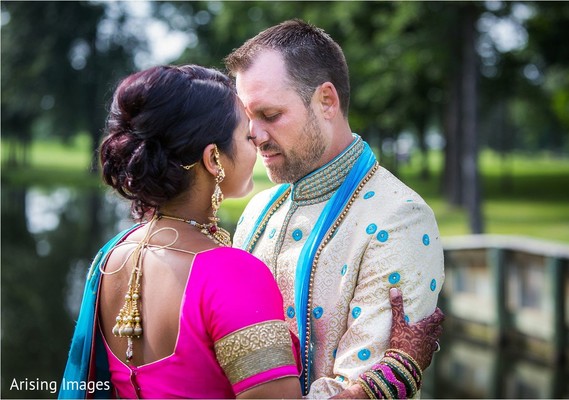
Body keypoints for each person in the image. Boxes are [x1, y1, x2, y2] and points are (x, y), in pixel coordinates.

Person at [59, 64, 442, 399]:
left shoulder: (112, 256)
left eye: (268, 117)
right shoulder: (230, 273)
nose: (257, 139)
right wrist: (397, 373)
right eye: (245, 134)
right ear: (213, 159)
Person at [225, 19, 445, 397]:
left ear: (327, 101)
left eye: (270, 115)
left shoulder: (400, 218)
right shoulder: (258, 208)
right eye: (248, 118)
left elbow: (353, 382)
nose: (254, 135)